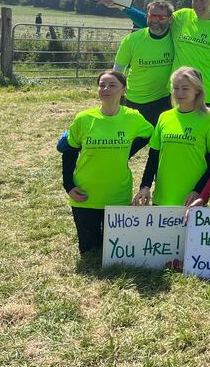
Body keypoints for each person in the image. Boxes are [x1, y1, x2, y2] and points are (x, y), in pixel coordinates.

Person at [99, 0, 210, 122]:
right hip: (177, 93)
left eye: (203, 0)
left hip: (206, 94)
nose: (198, 4)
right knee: (173, 133)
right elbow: (154, 22)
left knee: (203, 134)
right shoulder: (183, 17)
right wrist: (121, 6)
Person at [61, 70, 153, 254]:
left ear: (124, 90)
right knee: (90, 252)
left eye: (112, 85)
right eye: (102, 85)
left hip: (117, 194)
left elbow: (151, 135)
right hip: (85, 194)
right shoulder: (84, 118)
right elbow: (69, 152)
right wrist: (68, 185)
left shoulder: (133, 117)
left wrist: (128, 151)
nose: (105, 89)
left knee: (115, 251)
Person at [132, 67, 210, 207]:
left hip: (191, 201)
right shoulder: (164, 117)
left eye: (185, 88)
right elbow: (153, 157)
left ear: (197, 90)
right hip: (162, 199)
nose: (179, 93)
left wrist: (199, 191)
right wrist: (145, 186)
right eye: (175, 88)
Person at [113, 0, 175, 126]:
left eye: (161, 17)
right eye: (152, 16)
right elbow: (117, 72)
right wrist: (117, 96)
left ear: (170, 19)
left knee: (158, 137)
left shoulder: (176, 39)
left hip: (163, 101)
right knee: (132, 137)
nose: (155, 20)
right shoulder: (131, 40)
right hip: (133, 100)